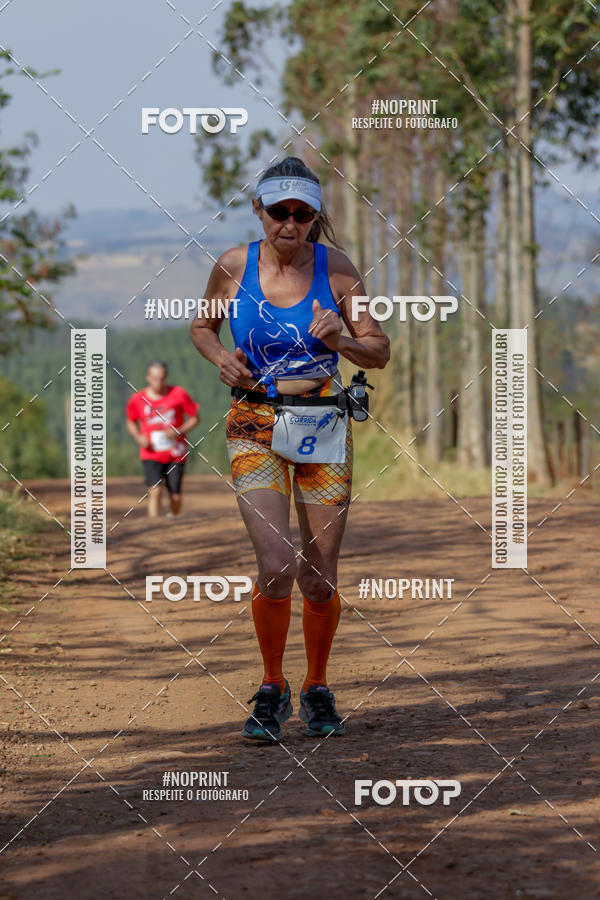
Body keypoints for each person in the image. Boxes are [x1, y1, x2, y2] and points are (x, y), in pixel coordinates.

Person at [190, 156, 389, 741]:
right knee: (277, 565)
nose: (290, 223)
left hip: (323, 422)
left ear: (314, 217)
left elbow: (379, 350)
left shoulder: (338, 270)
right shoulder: (233, 266)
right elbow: (202, 326)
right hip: (253, 420)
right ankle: (273, 686)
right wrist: (218, 355)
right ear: (260, 211)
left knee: (320, 576)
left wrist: (345, 340)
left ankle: (318, 688)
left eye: (303, 214)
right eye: (280, 212)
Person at [126, 361, 200, 517]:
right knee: (155, 490)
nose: (158, 383)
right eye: (154, 378)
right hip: (150, 452)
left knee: (175, 496)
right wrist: (138, 437)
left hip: (176, 453)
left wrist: (178, 431)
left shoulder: (178, 394)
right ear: (147, 377)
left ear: (166, 377)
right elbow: (130, 421)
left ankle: (172, 522)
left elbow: (195, 418)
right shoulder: (137, 399)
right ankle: (154, 528)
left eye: (161, 378)